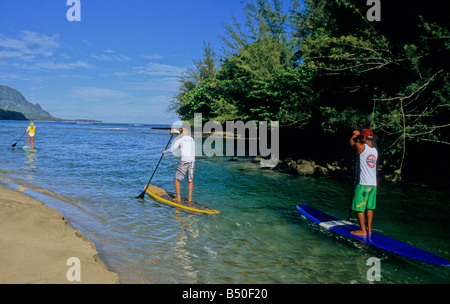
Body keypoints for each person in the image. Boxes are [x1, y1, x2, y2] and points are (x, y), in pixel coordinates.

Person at [349, 128, 378, 235]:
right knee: (369, 208)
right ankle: (369, 229)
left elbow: (352, 143)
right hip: (373, 184)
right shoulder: (375, 150)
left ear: (364, 138)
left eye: (362, 137)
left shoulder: (360, 147)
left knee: (359, 207)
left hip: (363, 183)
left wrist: (354, 136)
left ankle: (362, 230)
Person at [162, 127, 196, 203]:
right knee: (190, 180)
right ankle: (190, 199)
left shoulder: (180, 140)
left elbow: (172, 149)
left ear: (182, 134)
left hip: (184, 161)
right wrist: (177, 132)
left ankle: (178, 198)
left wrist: (165, 152)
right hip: (192, 161)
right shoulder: (192, 139)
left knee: (176, 179)